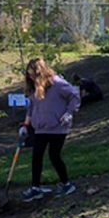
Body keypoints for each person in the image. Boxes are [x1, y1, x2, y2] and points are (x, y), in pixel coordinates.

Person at [19, 58, 81, 201]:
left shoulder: (57, 83)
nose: (31, 78)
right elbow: (31, 107)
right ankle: (35, 188)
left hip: (58, 126)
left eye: (33, 75)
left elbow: (74, 96)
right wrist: (25, 125)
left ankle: (67, 184)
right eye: (29, 76)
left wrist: (68, 113)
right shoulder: (34, 88)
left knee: (54, 155)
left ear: (39, 71)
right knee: (37, 156)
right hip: (41, 127)